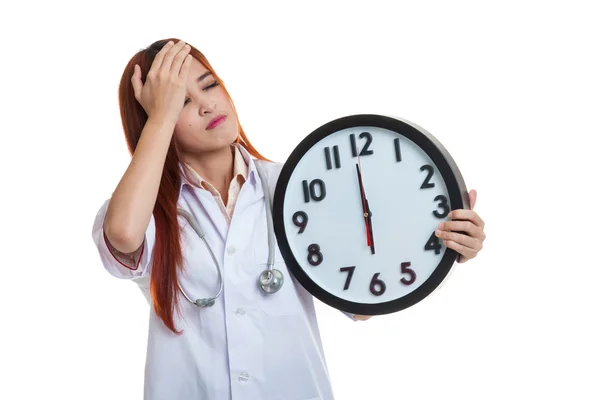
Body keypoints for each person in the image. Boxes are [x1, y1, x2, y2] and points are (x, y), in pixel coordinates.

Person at [91, 38, 487, 400]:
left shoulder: (294, 185)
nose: (208, 105)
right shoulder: (146, 209)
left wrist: (444, 250)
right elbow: (124, 235)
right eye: (179, 101)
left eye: (209, 86)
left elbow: (362, 301)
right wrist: (159, 118)